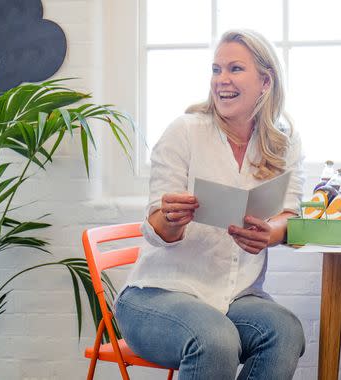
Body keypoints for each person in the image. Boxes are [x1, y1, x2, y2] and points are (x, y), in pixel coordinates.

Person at [113, 29, 305, 379]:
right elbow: (156, 223)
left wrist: (271, 233)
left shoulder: (283, 145)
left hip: (233, 298)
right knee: (215, 338)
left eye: (234, 69)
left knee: (285, 331)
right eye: (216, 70)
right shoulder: (184, 131)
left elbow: (290, 213)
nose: (222, 80)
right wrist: (171, 219)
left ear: (265, 81)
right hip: (156, 296)